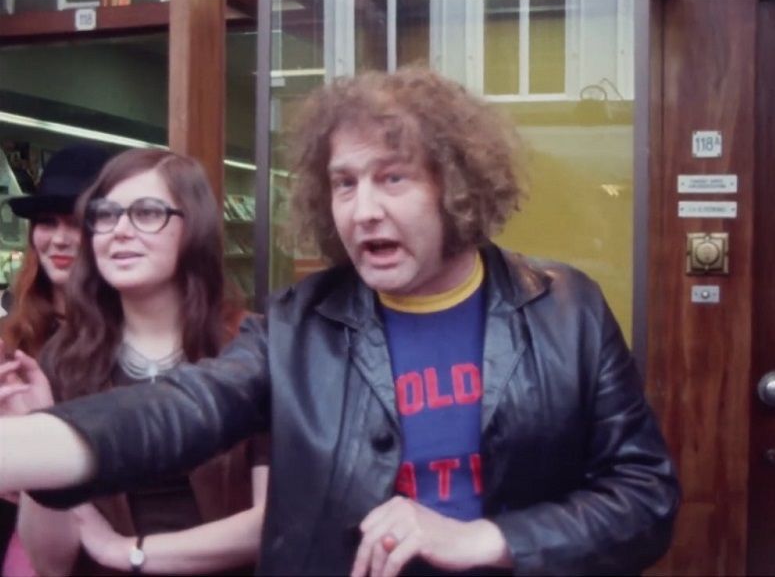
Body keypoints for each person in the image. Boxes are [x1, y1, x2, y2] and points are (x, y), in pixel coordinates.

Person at [0, 68, 679, 576]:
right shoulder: (298, 325)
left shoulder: (565, 311)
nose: (362, 210)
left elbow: (644, 496)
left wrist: (489, 538)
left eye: (393, 178)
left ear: (457, 186)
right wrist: (27, 443)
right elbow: (184, 408)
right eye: (345, 183)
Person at [1, 148, 268, 576]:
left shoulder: (250, 347)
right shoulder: (65, 360)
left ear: (193, 228)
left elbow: (271, 524)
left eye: (146, 213)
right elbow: (51, 563)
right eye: (105, 215)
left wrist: (127, 551)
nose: (120, 231)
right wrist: (38, 436)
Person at [0, 143, 111, 577]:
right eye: (47, 222)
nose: (60, 238)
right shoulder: (10, 335)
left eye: (77, 222)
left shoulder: (137, 339)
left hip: (110, 547)